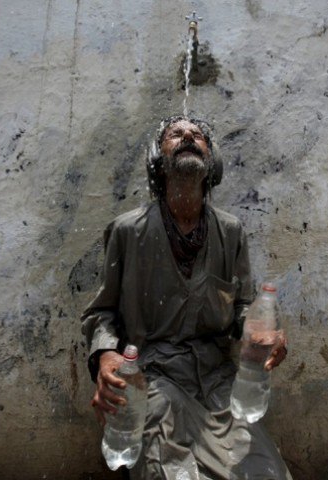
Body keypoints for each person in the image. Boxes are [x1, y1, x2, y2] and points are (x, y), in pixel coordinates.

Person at [81, 116, 292, 479]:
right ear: (157, 159)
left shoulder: (230, 231)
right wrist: (106, 357)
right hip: (154, 379)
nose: (188, 137)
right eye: (175, 134)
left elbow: (241, 307)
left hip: (218, 382)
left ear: (212, 161)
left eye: (198, 135)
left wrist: (259, 333)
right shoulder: (127, 231)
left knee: (265, 472)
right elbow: (101, 314)